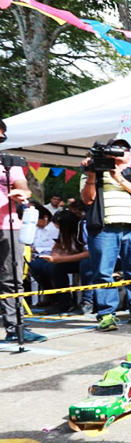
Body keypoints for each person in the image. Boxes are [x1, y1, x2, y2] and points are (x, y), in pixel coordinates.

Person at [80, 139, 131, 331]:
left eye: (123, 149)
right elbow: (88, 199)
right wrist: (92, 174)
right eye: (114, 149)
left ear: (130, 154)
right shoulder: (93, 172)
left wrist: (118, 178)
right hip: (104, 228)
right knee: (103, 272)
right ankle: (106, 314)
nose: (119, 153)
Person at [0, 118, 46, 343]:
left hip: (9, 225)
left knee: (12, 279)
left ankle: (16, 328)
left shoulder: (9, 161)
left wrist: (23, 194)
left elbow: (23, 186)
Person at [37, 211, 91, 313]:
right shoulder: (64, 234)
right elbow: (58, 246)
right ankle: (64, 302)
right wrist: (56, 254)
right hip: (76, 259)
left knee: (86, 264)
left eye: (59, 228)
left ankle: (87, 301)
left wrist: (61, 259)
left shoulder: (83, 228)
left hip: (89, 261)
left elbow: (89, 253)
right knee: (52, 267)